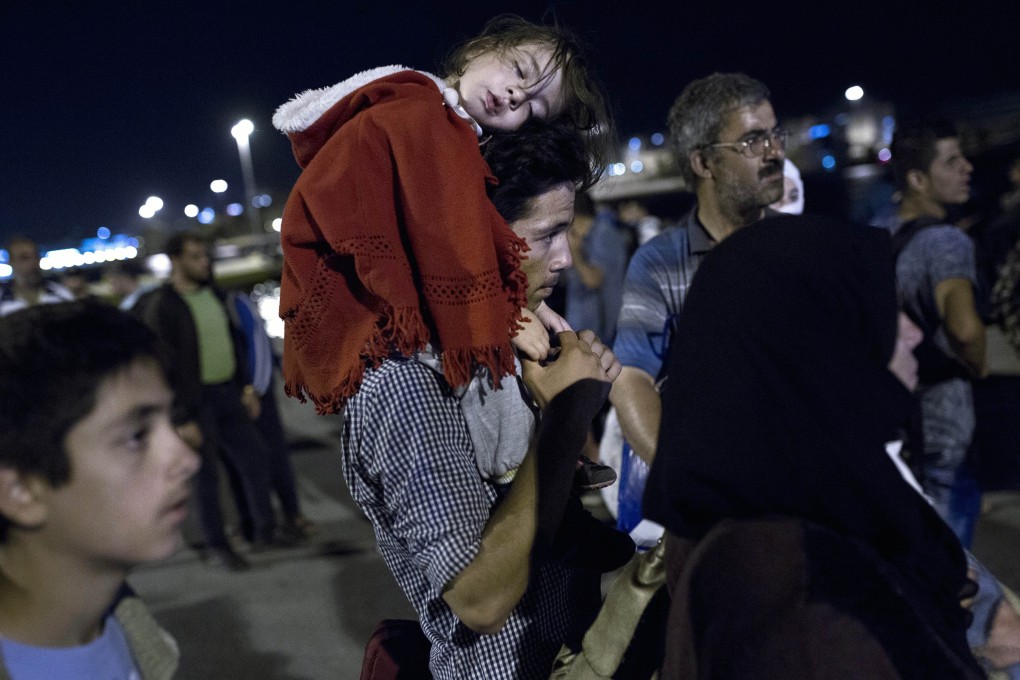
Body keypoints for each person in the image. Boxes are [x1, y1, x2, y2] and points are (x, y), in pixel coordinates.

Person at [643, 215, 992, 679]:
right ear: (819, 341)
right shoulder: (797, 588)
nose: (912, 333)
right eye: (884, 311)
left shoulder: (800, 503)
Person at [342, 120, 628, 679]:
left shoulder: (514, 339)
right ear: (476, 235)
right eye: (547, 234)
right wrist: (569, 413)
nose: (566, 258)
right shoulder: (407, 382)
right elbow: (480, 600)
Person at [270, 13, 609, 416]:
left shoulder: (444, 122)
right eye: (520, 70)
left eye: (534, 110)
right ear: (479, 50)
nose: (517, 94)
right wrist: (500, 311)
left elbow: (467, 233)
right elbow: (435, 236)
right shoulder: (420, 119)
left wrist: (528, 300)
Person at [0, 300, 200, 678]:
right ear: (21, 491)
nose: (187, 459)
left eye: (171, 421)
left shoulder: (136, 636)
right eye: (136, 436)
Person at [609, 72, 785, 467]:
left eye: (776, 135)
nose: (774, 151)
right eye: (753, 140)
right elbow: (630, 379)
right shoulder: (661, 264)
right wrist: (691, 482)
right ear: (704, 162)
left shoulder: (802, 247)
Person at [132, 232, 287, 571]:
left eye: (206, 257)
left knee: (255, 459)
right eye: (195, 257)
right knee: (205, 478)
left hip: (228, 394)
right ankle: (218, 546)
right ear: (176, 260)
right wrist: (180, 416)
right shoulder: (164, 306)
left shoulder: (216, 296)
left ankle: (262, 531)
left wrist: (247, 388)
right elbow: (161, 365)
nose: (205, 263)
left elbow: (235, 345)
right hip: (194, 402)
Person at [890, 119, 987, 545]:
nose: (966, 167)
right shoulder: (947, 242)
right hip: (946, 422)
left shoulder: (880, 235)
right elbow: (964, 330)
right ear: (918, 179)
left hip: (898, 422)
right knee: (956, 563)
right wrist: (977, 363)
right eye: (951, 161)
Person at [0, 236, 73, 316]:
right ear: (11, 262)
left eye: (36, 256)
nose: (33, 262)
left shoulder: (61, 294)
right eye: (24, 258)